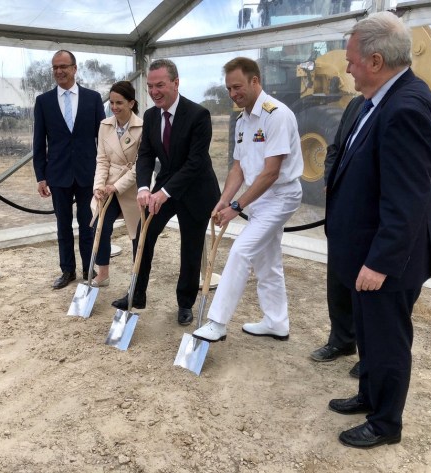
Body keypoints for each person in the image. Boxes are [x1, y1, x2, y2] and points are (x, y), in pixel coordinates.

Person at [326, 12, 431, 449]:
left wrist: (379, 263)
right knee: (370, 333)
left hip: (388, 259)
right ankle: (368, 396)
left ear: (375, 61)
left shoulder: (406, 107)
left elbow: (407, 200)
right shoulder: (380, 101)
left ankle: (385, 423)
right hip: (366, 249)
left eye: (352, 60)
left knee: (388, 340)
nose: (348, 67)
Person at [192, 56, 303, 343]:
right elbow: (238, 167)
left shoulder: (276, 115)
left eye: (238, 87)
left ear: (255, 81)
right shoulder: (242, 120)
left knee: (241, 250)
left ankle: (217, 322)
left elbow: (271, 173)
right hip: (261, 199)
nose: (233, 94)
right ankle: (277, 322)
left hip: (280, 196)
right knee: (268, 262)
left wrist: (236, 206)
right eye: (229, 89)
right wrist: (222, 200)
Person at [111, 59, 221, 326]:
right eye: (149, 86)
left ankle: (185, 304)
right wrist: (145, 188)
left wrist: (166, 192)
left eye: (160, 85)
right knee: (143, 236)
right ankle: (137, 294)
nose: (154, 91)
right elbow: (146, 154)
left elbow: (195, 163)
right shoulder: (150, 117)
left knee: (191, 248)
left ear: (176, 82)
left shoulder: (198, 115)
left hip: (196, 191)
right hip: (163, 187)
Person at [33, 50, 105, 289]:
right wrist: (40, 176)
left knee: (88, 225)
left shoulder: (93, 99)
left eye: (63, 66)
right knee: (63, 226)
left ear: (75, 68)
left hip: (87, 174)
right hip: (58, 174)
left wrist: (104, 174)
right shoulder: (43, 102)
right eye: (55, 67)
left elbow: (102, 140)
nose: (59, 71)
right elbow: (38, 141)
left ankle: (88, 268)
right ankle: (67, 271)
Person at [309, 95, 363, 377]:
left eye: (354, 62)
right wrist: (330, 178)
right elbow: (335, 148)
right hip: (342, 211)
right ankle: (341, 341)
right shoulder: (356, 105)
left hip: (369, 215)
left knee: (366, 290)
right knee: (339, 279)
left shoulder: (397, 106)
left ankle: (370, 357)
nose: (350, 69)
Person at [89, 81, 143, 287]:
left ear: (131, 103)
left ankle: (138, 277)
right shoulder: (105, 125)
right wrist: (98, 186)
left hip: (132, 188)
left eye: (119, 102)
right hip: (107, 185)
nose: (114, 107)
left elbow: (141, 166)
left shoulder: (142, 127)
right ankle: (102, 273)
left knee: (138, 234)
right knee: (99, 227)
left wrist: (117, 186)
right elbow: (102, 159)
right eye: (111, 102)